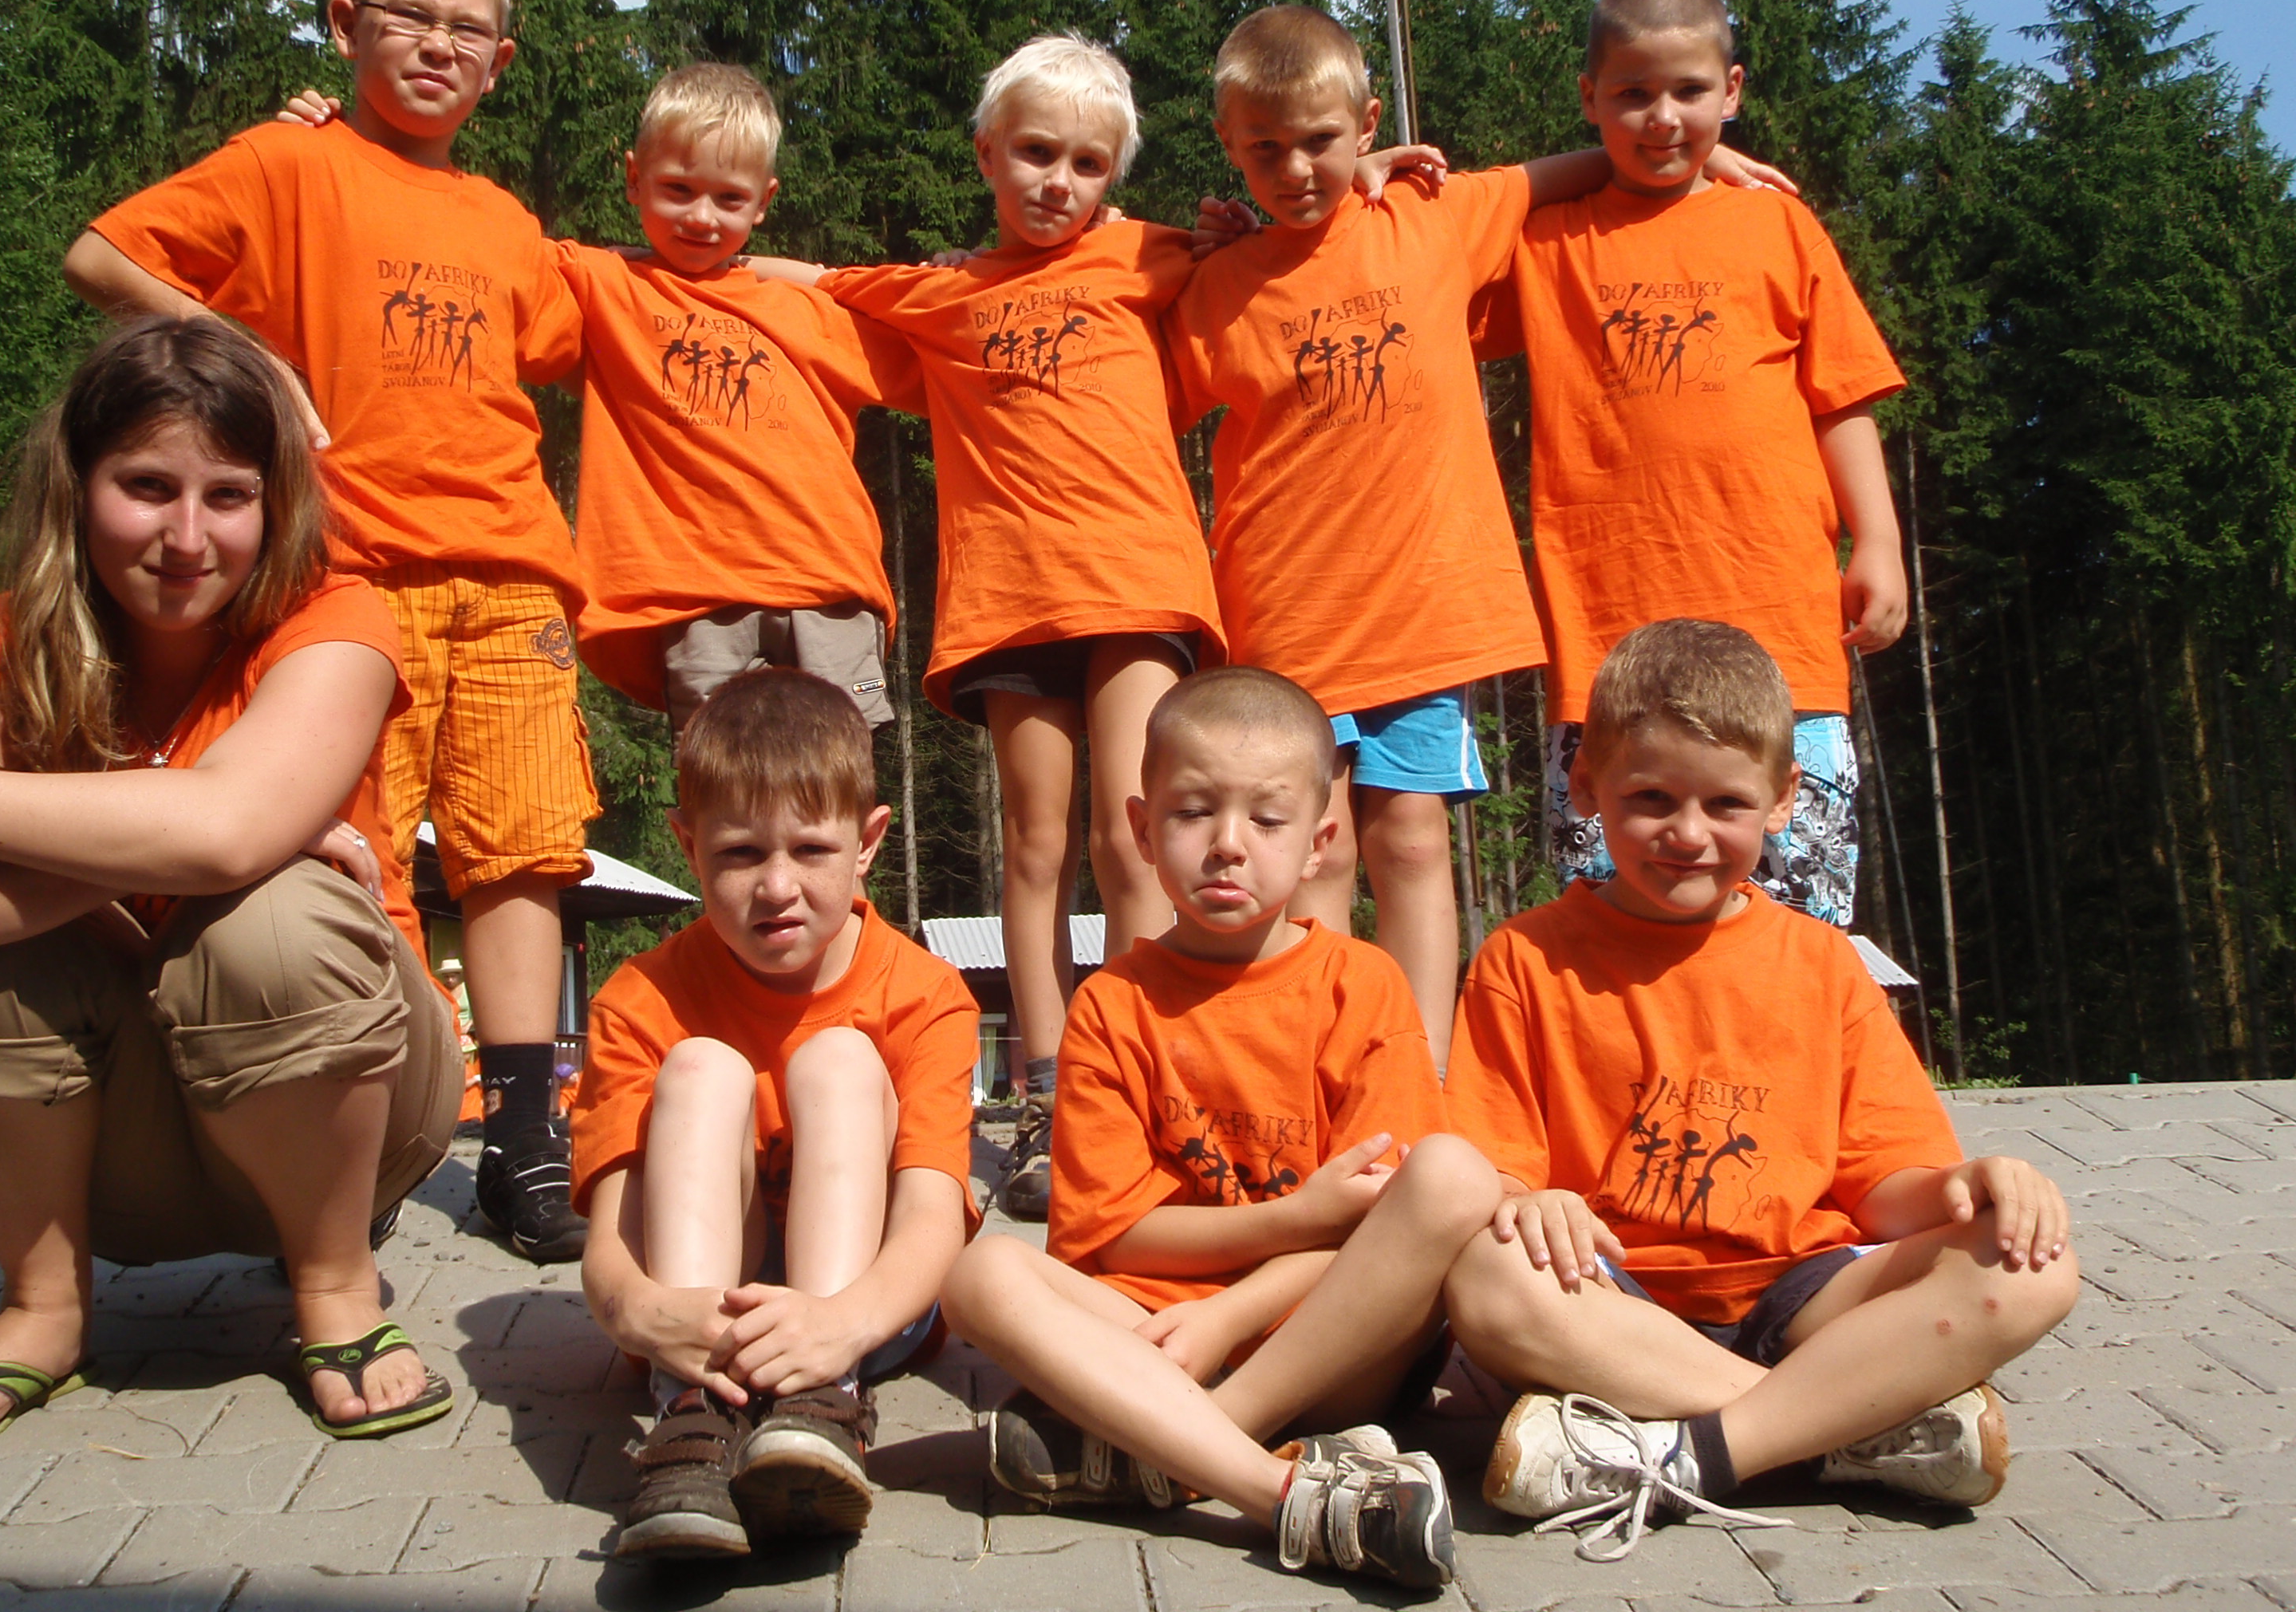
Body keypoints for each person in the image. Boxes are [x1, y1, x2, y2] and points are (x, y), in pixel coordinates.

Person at [0, 316, 464, 1460]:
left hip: (358, 1116)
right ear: (78, 485)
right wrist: (200, 841)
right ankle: (42, 1305)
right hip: (104, 1148)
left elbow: (225, 837)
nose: (187, 537)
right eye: (147, 486)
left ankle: (333, 1283)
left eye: (230, 496)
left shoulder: (335, 620)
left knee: (269, 913)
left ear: (275, 505)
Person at [61, 0, 598, 1263]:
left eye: (467, 31)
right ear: (346, 26)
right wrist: (239, 347)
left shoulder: (505, 219)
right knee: (360, 848)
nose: (437, 45)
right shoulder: (286, 163)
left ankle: (523, 1139)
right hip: (348, 574)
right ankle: (391, 1124)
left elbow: (595, 328)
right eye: (407, 16)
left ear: (500, 65)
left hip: (514, 571)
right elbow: (102, 254)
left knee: (521, 851)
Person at [1172, 6, 1789, 1066]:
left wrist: (1701, 158)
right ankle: (1321, 1070)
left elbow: (1562, 176)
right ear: (1227, 145)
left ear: (1368, 124)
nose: (1296, 169)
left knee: (1412, 840)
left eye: (1320, 140)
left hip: (1424, 616)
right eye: (1264, 149)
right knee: (1312, 858)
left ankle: (1420, 1074)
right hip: (1284, 618)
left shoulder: (1430, 218)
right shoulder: (1217, 286)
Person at [1440, 620, 2077, 1560]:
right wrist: (1526, 1202)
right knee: (1488, 1278)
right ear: (1585, 786)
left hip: (1801, 1295)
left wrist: (1966, 1186)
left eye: (1726, 804)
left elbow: (1885, 1185)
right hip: (1613, 1302)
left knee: (2034, 1265)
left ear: (1783, 800)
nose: (1688, 834)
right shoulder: (1523, 959)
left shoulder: (1823, 963)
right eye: (1650, 798)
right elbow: (1494, 1170)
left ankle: (1687, 1451)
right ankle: (1849, 1427)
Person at [752, 35, 1225, 1221]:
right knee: (1035, 845)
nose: (1058, 182)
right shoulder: (945, 292)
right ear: (987, 156)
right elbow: (809, 281)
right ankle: (1049, 1092)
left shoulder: (1148, 255)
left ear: (1114, 176)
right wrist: (673, 252)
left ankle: (1141, 1080)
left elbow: (1270, 242)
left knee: (1135, 835)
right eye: (1035, 154)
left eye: (1087, 164)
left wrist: (1367, 171)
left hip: (1139, 583)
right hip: (1011, 597)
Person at [940, 667, 1505, 1594]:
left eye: (1268, 820)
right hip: (1158, 1333)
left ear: (1321, 842)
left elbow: (1386, 1227)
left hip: (1335, 1343)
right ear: (1141, 830)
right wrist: (1293, 1219)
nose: (1228, 846)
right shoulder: (1112, 1004)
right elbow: (1113, 1236)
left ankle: (1182, 1450)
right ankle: (1278, 1489)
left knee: (1451, 1172)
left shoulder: (1361, 986)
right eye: (1194, 812)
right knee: (980, 1273)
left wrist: (1233, 1315)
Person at [281, 62, 911, 733]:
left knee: (845, 759)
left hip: (834, 588)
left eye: (730, 199)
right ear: (635, 179)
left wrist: (951, 265)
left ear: (764, 202)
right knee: (719, 769)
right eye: (678, 190)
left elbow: (953, 352)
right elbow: (459, 242)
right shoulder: (599, 285)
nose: (701, 217)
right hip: (696, 598)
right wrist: (346, 150)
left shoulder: (813, 313)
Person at [1473, 0, 1908, 927]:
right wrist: (1589, 163)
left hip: (1783, 640)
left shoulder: (1778, 223)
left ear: (1733, 90)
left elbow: (1842, 395)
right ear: (1588, 98)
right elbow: (1420, 249)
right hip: (1611, 649)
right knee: (1615, 934)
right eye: (1632, 93)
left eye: (1689, 91)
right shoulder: (1547, 243)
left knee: (1799, 934)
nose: (1662, 117)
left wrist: (1878, 538)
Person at [573, 670, 977, 1561]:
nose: (777, 887)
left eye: (811, 849)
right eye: (741, 854)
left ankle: (820, 1405)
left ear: (868, 842)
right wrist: (648, 1317)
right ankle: (694, 1422)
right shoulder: (639, 1000)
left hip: (869, 1309)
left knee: (838, 1056)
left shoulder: (927, 995)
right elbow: (609, 1249)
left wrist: (845, 1325)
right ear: (688, 846)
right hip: (695, 1321)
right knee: (700, 1066)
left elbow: (933, 1221)